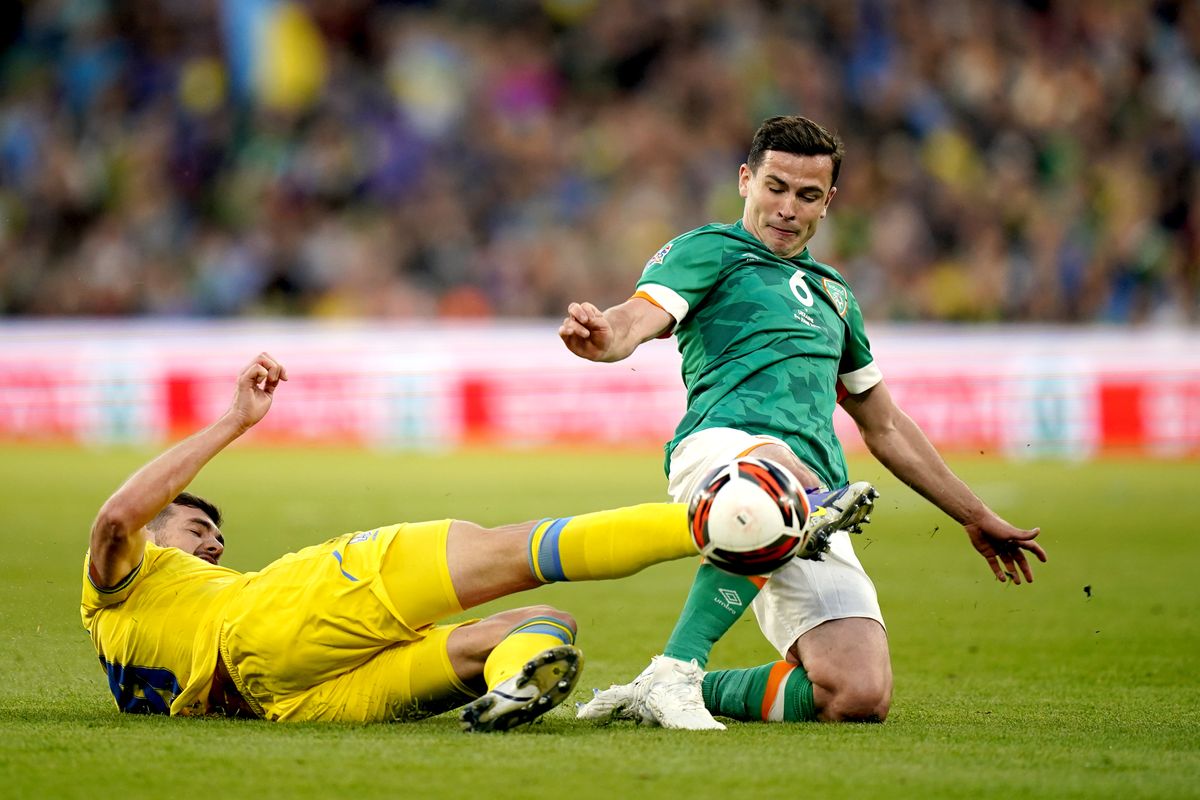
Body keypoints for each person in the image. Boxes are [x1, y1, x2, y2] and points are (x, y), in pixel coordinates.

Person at [559, 115, 1047, 730]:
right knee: (778, 480)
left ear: (829, 201)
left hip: (813, 497)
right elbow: (634, 319)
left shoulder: (836, 296)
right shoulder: (709, 251)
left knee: (855, 694)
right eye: (776, 187)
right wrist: (606, 338)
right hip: (724, 452)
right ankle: (679, 664)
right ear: (746, 180)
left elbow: (886, 426)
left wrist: (975, 516)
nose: (789, 208)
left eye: (808, 195)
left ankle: (666, 692)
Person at [83, 352, 727, 730]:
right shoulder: (122, 580)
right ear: (155, 533)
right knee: (506, 551)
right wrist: (235, 420)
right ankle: (722, 522)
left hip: (284, 701)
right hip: (268, 622)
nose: (217, 544)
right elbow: (116, 518)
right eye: (199, 528)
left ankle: (509, 689)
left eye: (218, 535)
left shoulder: (131, 633)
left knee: (544, 622)